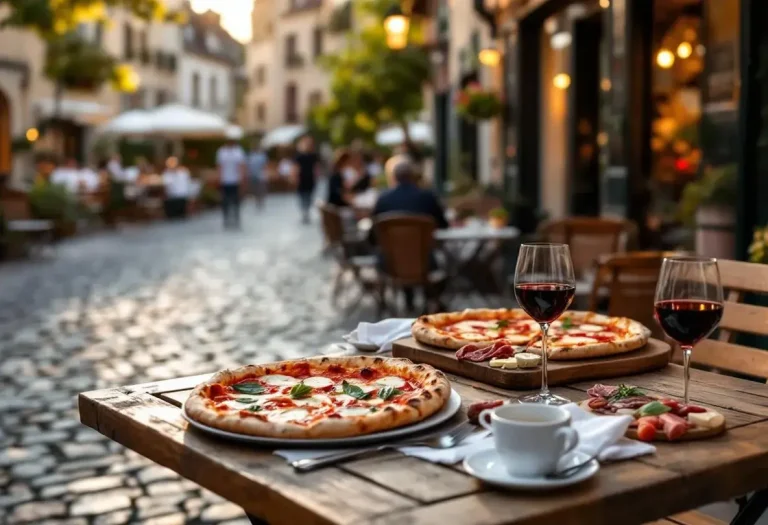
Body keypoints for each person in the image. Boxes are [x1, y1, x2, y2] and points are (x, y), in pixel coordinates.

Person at [370, 155, 448, 312]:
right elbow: (444, 226)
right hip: (425, 262)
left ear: (393, 177)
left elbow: (373, 237)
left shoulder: (383, 199)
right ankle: (430, 300)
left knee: (400, 255)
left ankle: (410, 299)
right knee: (444, 263)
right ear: (413, 176)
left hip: (390, 265)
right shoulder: (427, 197)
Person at [216, 139, 246, 229]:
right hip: (225, 180)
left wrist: (242, 178)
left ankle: (236, 217)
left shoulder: (238, 151)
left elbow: (241, 166)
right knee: (225, 200)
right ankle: (226, 217)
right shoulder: (222, 151)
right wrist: (220, 178)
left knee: (236, 199)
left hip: (235, 180)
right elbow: (219, 166)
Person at [292, 136, 321, 224]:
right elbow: (296, 167)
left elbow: (316, 167)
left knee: (309, 196)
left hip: (310, 179)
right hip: (302, 179)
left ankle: (306, 211)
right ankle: (304, 212)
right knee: (302, 197)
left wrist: (317, 176)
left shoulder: (314, 155)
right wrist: (295, 178)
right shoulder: (299, 156)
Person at [247, 140, 268, 210]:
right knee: (255, 189)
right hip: (253, 175)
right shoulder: (250, 156)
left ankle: (260, 201)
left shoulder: (261, 156)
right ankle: (258, 201)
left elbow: (264, 166)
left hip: (260, 175)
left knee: (260, 189)